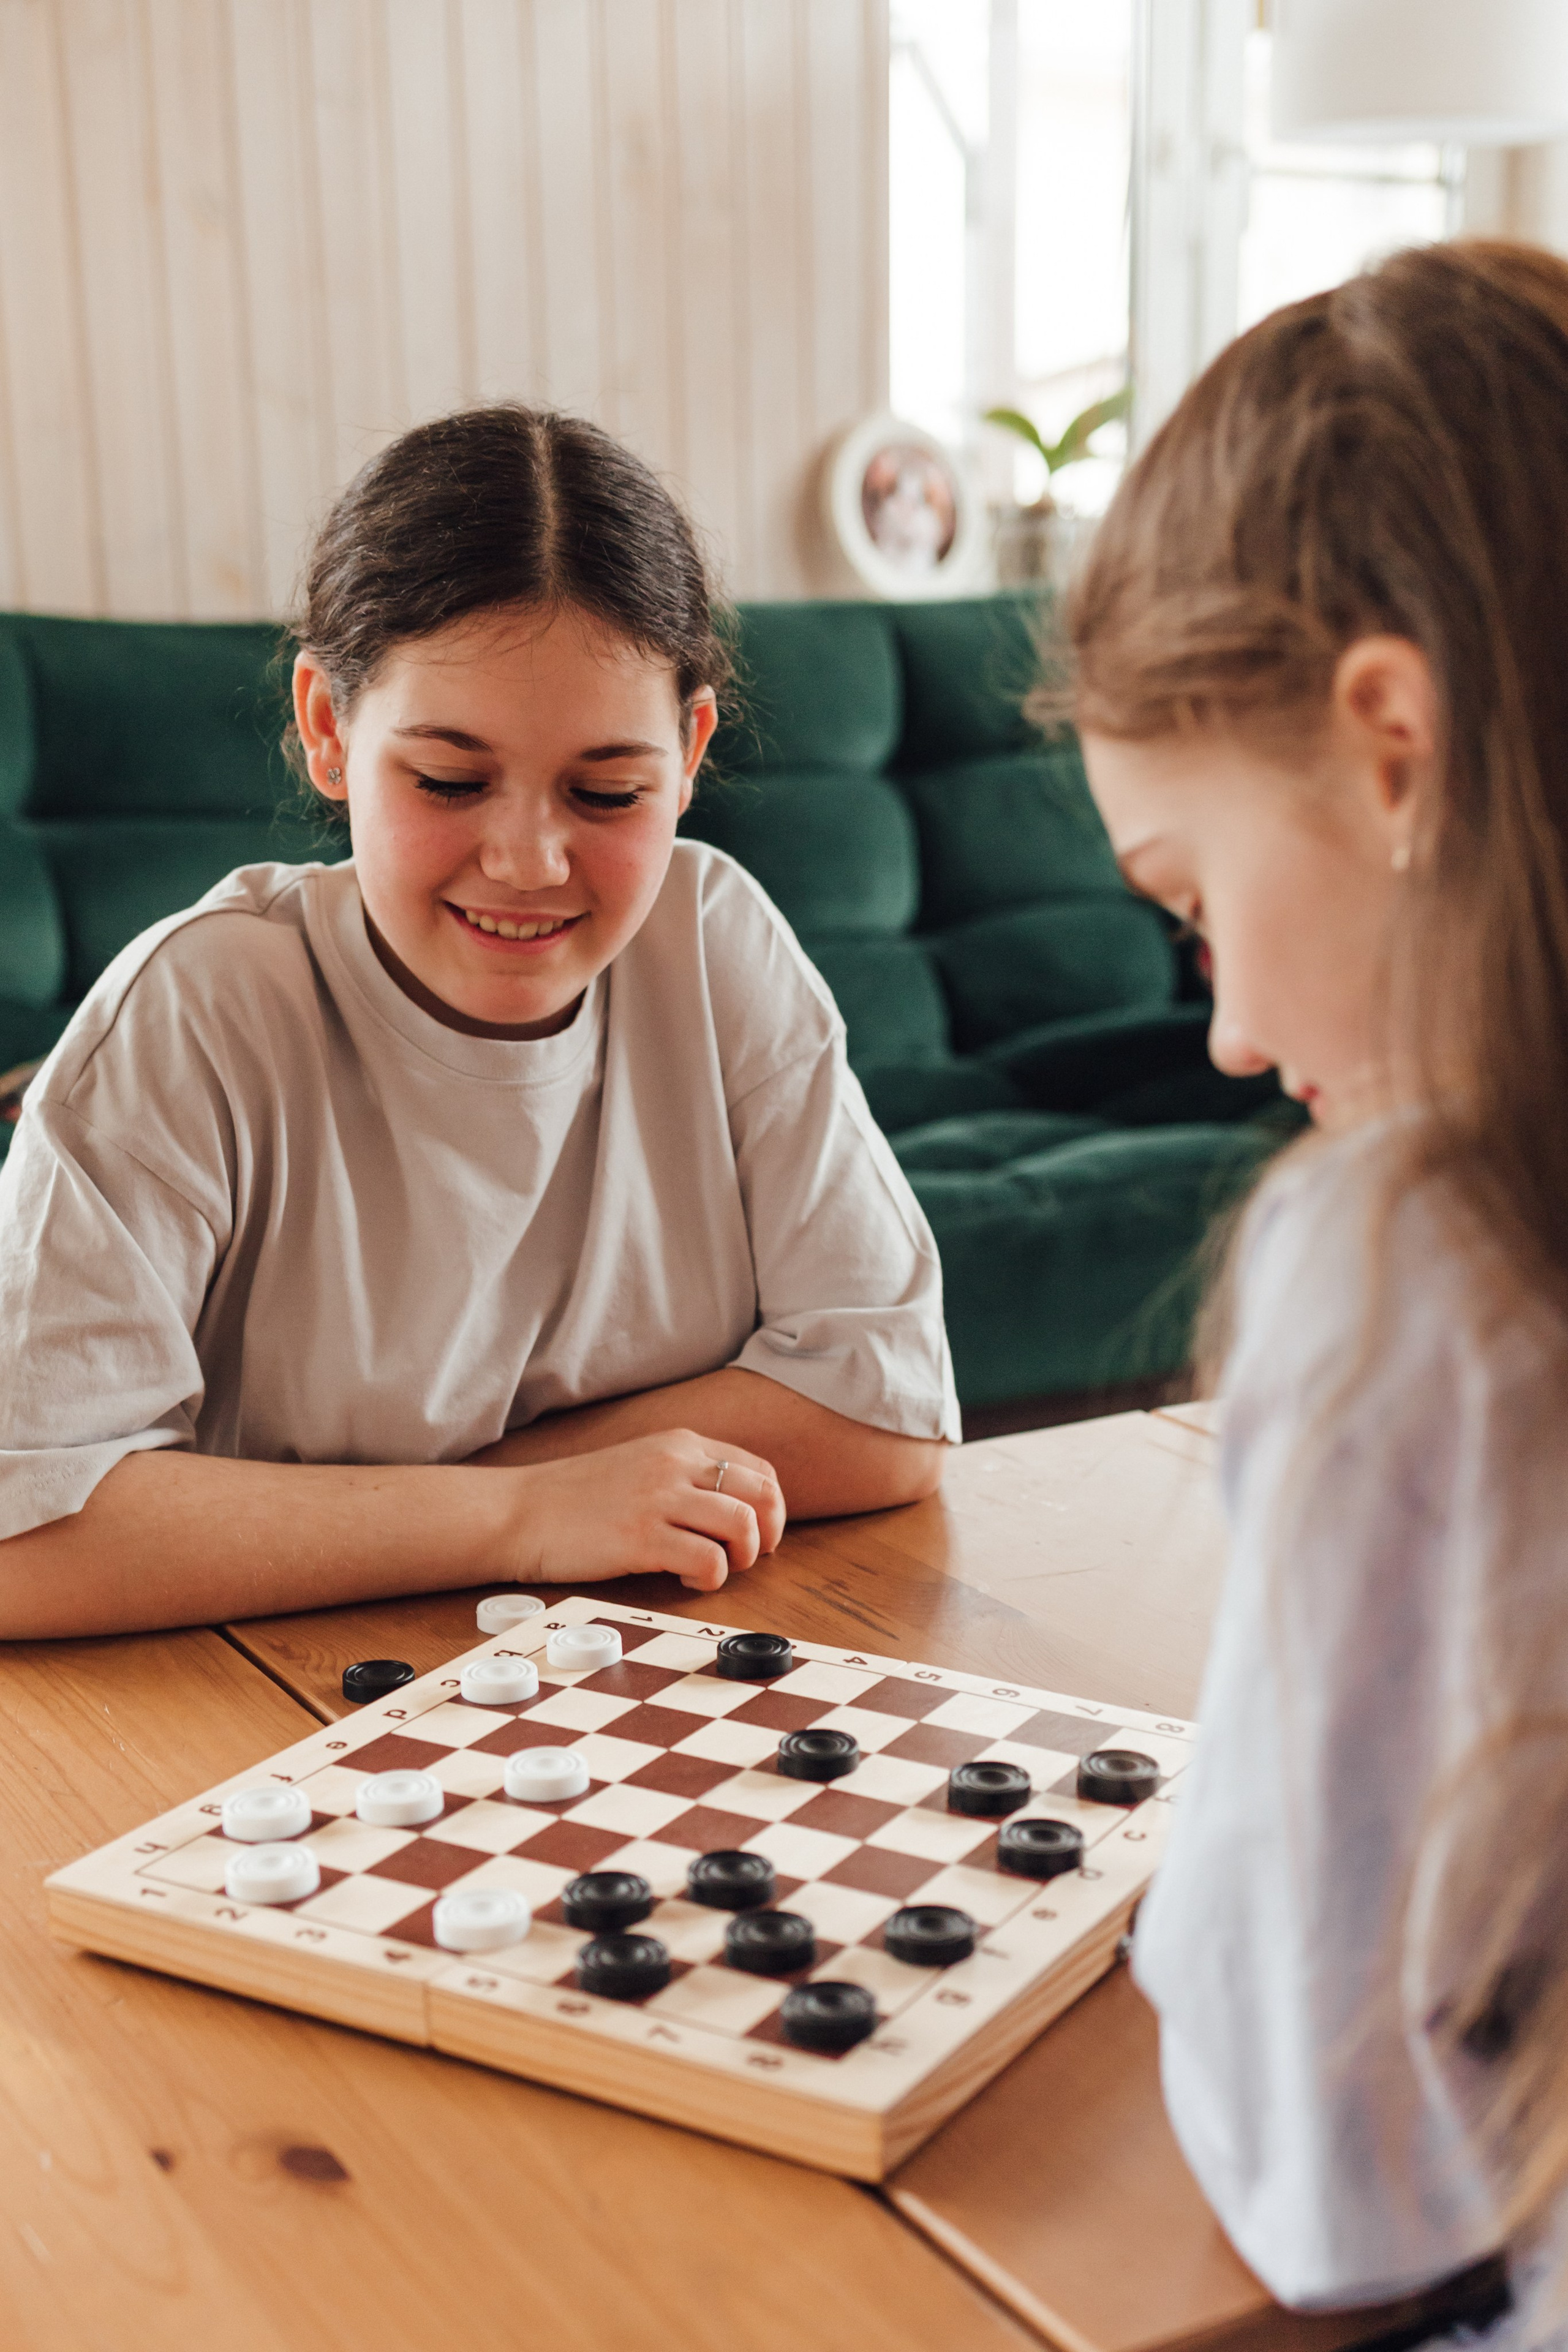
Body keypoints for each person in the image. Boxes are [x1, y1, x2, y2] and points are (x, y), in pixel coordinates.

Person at [0, 406, 956, 1638]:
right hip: (265, 1708)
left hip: (612, 1672)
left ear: (690, 749)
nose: (527, 860)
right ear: (329, 728)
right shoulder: (195, 1010)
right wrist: (534, 1511)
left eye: (607, 791)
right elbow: (28, 1534)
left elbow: (888, 1414)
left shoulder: (715, 942)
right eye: (448, 781)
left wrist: (474, 1508)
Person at [1065, 240, 1568, 2343]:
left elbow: (1328, 2173)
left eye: (1192, 908)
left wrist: (1196, 1917)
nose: (1230, 1040)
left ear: (1392, 746)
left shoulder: (1407, 1259)